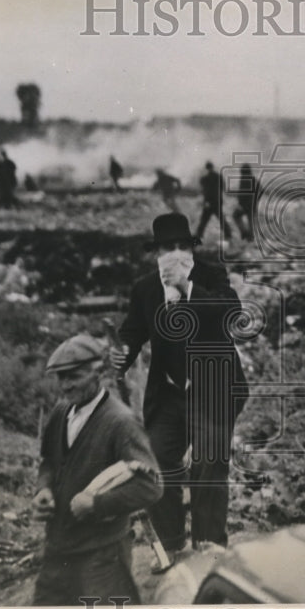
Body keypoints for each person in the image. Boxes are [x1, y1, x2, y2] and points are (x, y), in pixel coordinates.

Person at [113, 213, 249, 566]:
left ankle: (209, 544)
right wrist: (122, 353)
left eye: (182, 246)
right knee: (156, 462)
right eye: (167, 247)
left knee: (209, 462)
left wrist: (188, 288)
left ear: (191, 248)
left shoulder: (210, 275)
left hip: (213, 387)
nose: (176, 254)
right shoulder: (145, 288)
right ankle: (172, 543)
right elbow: (133, 330)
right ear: (156, 252)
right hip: (170, 391)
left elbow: (229, 312)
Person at [32, 333, 163, 606]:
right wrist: (43, 488)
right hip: (58, 550)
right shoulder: (60, 412)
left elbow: (150, 485)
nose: (65, 385)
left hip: (102, 555)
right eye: (60, 377)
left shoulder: (121, 422)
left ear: (98, 373)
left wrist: (97, 504)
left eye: (74, 376)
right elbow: (49, 461)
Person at [195, 161, 231, 241]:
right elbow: (223, 187)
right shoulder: (218, 176)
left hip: (208, 202)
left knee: (204, 220)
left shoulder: (204, 179)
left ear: (206, 168)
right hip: (217, 201)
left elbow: (203, 190)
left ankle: (198, 236)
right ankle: (228, 235)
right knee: (221, 219)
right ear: (212, 167)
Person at [231, 163, 256, 242]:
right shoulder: (253, 179)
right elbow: (260, 190)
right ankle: (250, 237)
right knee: (250, 221)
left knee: (235, 215)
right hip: (252, 204)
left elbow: (241, 193)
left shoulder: (244, 179)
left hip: (245, 205)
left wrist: (240, 203)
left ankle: (244, 233)